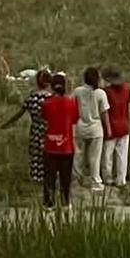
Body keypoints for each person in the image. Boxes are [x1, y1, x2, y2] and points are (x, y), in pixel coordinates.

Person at [1, 69, 52, 186]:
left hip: (35, 131)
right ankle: (48, 179)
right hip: (49, 131)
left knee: (35, 156)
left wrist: (6, 124)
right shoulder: (51, 99)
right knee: (48, 155)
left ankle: (36, 179)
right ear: (49, 83)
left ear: (37, 82)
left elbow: (19, 114)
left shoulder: (32, 98)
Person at [40, 72, 80, 209]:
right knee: (65, 178)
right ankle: (65, 202)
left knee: (49, 178)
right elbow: (75, 119)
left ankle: (48, 204)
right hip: (67, 146)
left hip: (50, 146)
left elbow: (44, 118)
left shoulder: (46, 104)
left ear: (52, 87)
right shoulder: (71, 103)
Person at [73, 66, 110, 190]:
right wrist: (108, 128)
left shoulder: (78, 91)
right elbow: (104, 113)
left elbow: (72, 105)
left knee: (78, 155)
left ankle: (77, 180)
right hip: (95, 128)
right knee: (95, 158)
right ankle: (95, 181)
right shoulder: (101, 93)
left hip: (80, 126)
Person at [100, 66, 130, 188]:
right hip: (124, 124)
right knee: (122, 155)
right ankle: (121, 179)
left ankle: (107, 178)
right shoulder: (127, 89)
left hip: (111, 126)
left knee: (107, 155)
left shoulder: (107, 92)